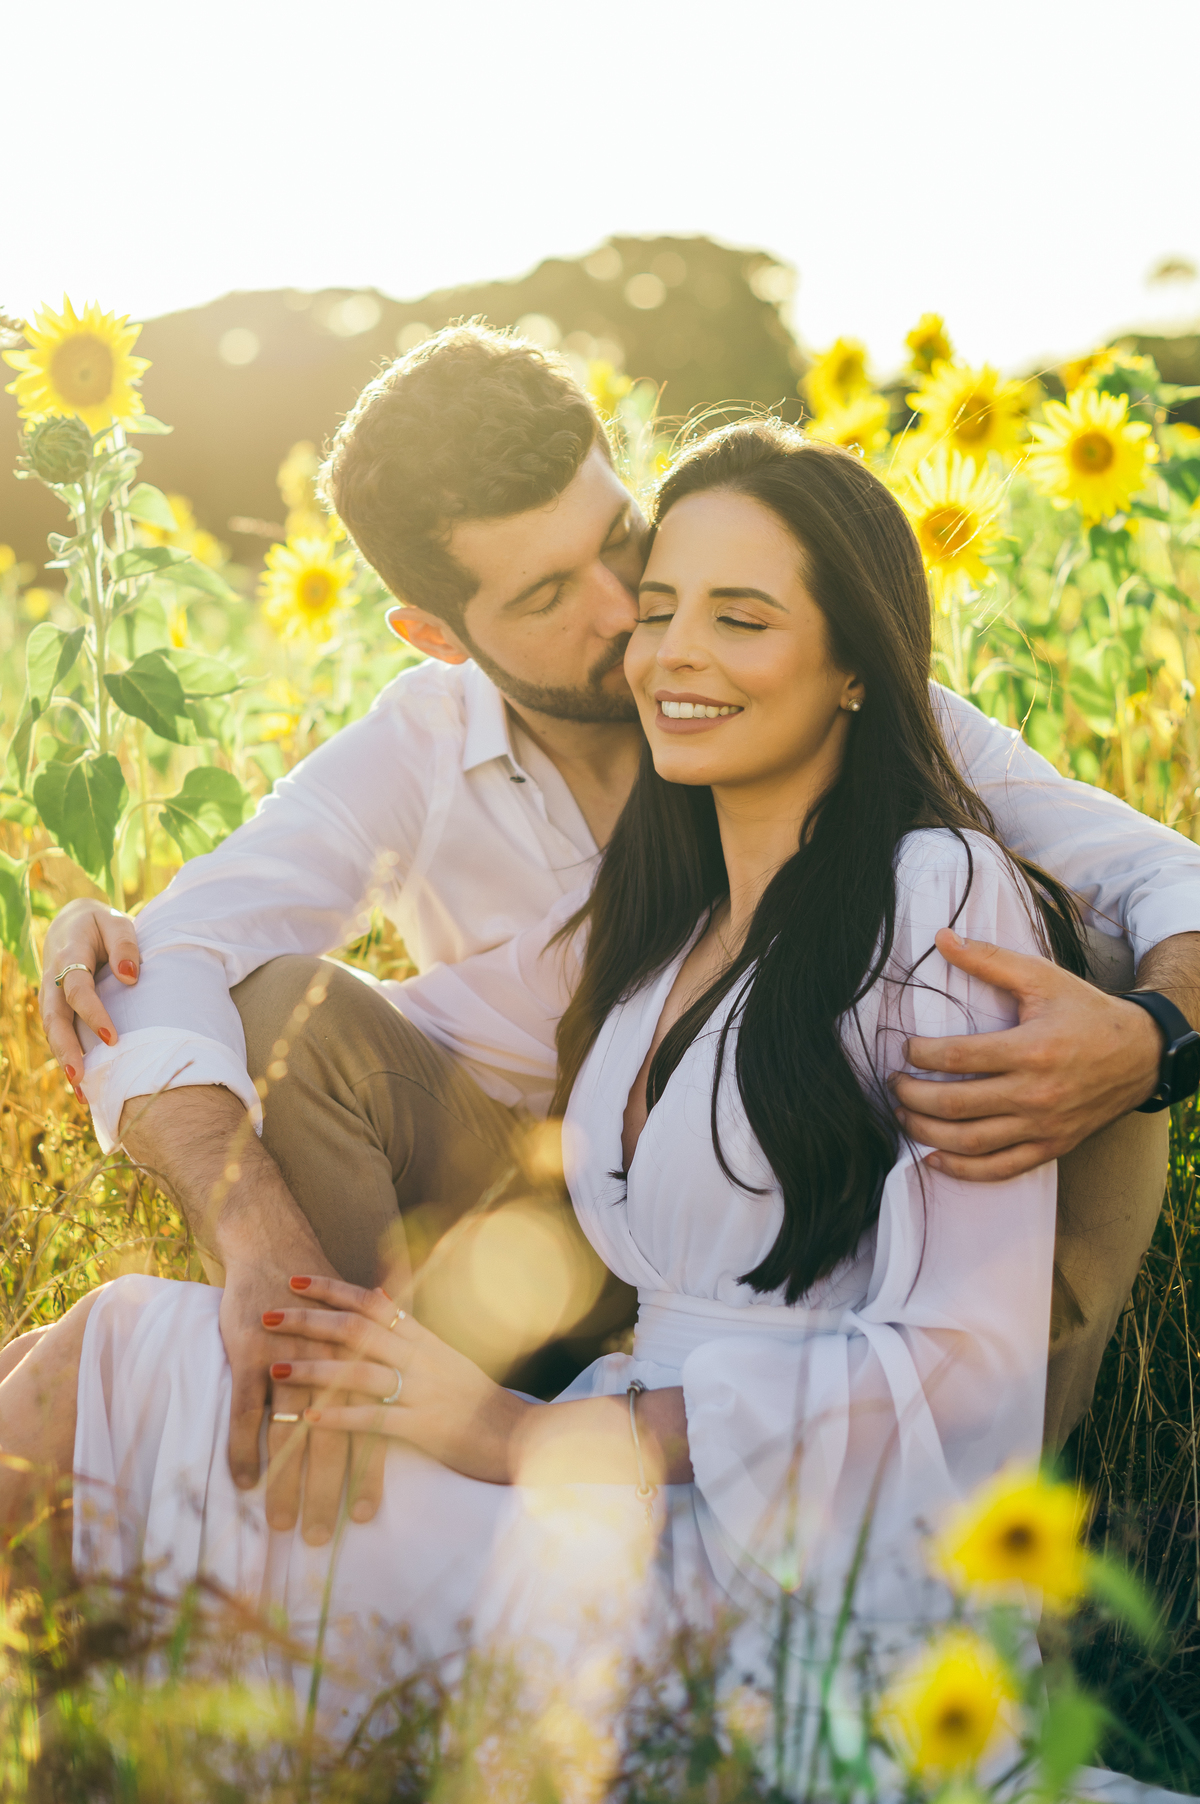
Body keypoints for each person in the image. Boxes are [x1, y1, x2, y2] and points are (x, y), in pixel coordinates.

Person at [1, 426, 1114, 1773]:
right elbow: (310, 1012)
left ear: (859, 669)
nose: (659, 648)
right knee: (83, 1367)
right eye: (663, 609)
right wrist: (134, 947)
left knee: (113, 1365)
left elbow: (966, 1368)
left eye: (738, 617)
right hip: (605, 1484)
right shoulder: (666, 919)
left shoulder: (935, 894)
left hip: (762, 1557)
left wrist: (513, 1431)